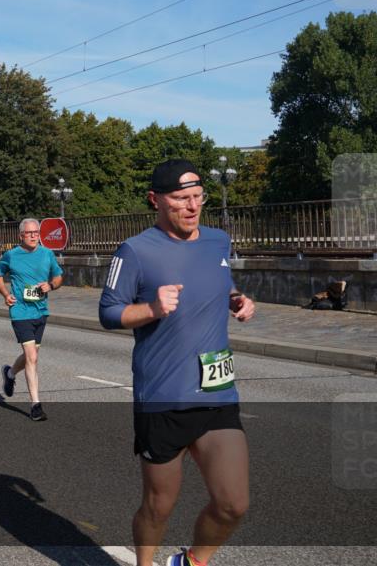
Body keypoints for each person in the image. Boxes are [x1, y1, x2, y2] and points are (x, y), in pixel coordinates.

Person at [98, 158, 255, 566]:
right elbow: (109, 313)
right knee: (158, 506)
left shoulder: (218, 241)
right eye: (181, 198)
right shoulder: (135, 250)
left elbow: (220, 282)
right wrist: (151, 307)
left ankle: (190, 562)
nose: (191, 206)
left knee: (233, 504)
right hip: (163, 397)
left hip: (217, 391)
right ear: (155, 200)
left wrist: (235, 299)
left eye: (197, 197)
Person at [0, 218, 64, 422]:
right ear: (21, 235)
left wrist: (51, 285)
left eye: (36, 232)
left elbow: (59, 277)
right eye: (29, 233)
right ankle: (36, 406)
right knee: (32, 357)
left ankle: (10, 374)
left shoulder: (47, 254)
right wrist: (6, 294)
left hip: (40, 311)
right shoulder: (11, 255)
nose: (33, 236)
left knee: (31, 356)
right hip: (20, 312)